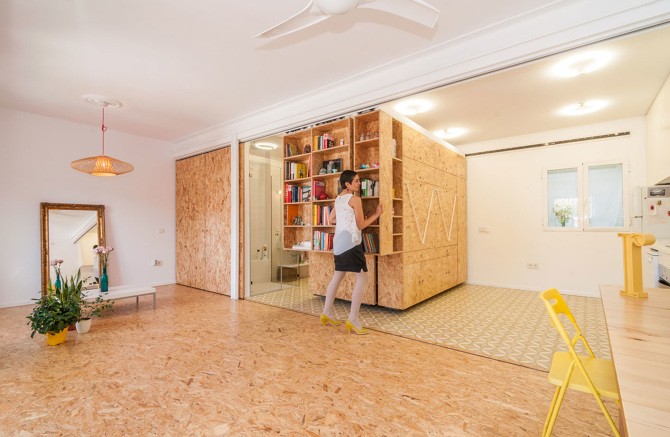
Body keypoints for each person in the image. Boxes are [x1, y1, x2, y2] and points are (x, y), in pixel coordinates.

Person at [320, 170, 382, 335]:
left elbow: (331, 219)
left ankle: (326, 313)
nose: (359, 184)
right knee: (363, 279)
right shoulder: (355, 199)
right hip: (351, 244)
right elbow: (361, 225)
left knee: (337, 276)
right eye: (356, 181)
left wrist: (348, 220)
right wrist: (376, 214)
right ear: (347, 184)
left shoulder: (338, 199)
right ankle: (353, 320)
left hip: (338, 243)